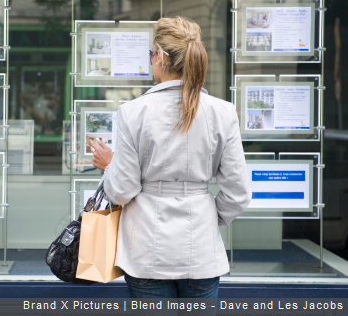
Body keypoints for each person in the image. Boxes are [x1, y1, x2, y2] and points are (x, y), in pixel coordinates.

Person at [89, 16, 252, 298]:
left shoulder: (133, 112)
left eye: (152, 54)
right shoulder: (222, 112)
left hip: (145, 251)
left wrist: (110, 166)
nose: (151, 61)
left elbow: (122, 191)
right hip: (201, 251)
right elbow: (238, 193)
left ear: (162, 57)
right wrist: (208, 217)